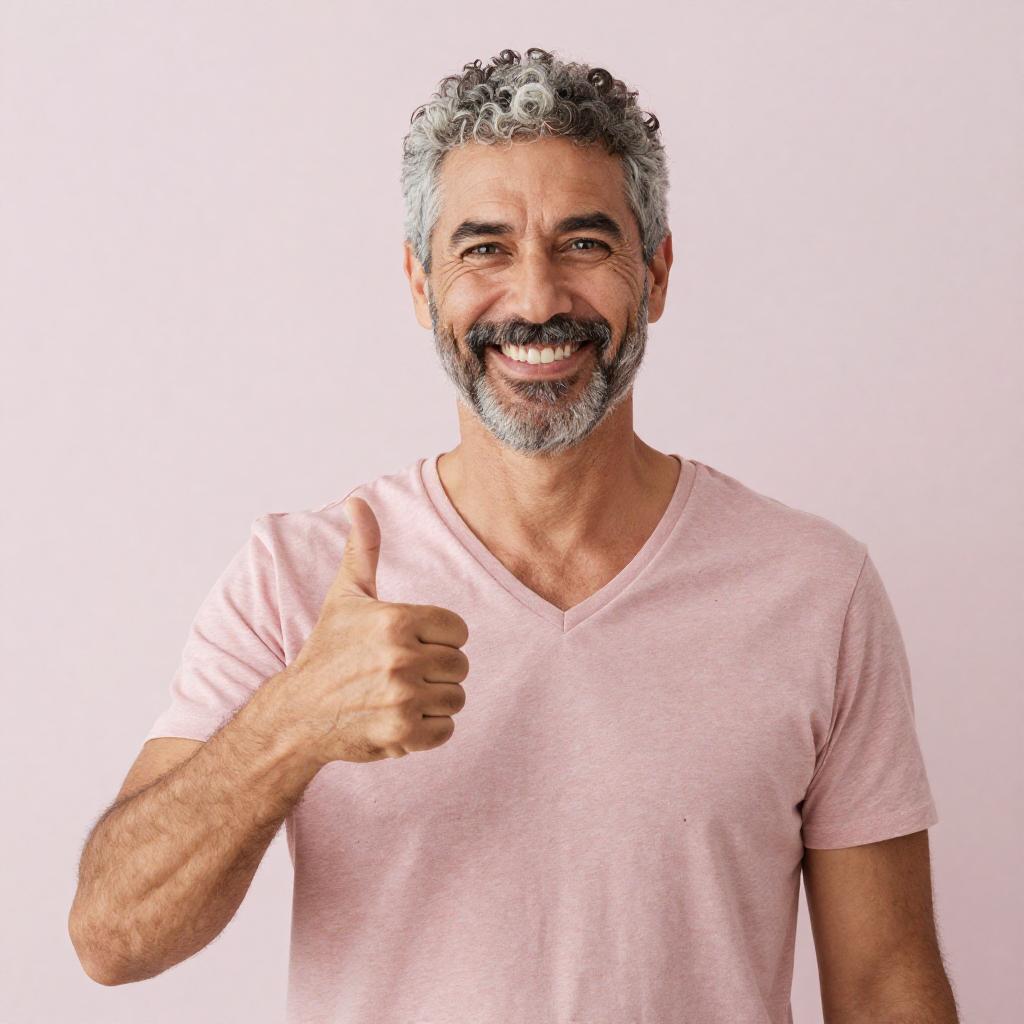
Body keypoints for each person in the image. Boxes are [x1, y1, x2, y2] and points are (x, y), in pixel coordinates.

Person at [68, 46, 959, 1023]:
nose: (535, 301)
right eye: (483, 248)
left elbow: (883, 983)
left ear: (654, 274)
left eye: (582, 244)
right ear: (419, 285)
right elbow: (112, 937)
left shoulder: (812, 588)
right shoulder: (300, 577)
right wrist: (291, 723)